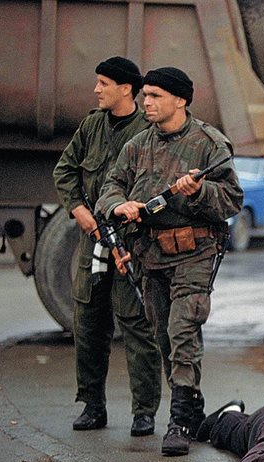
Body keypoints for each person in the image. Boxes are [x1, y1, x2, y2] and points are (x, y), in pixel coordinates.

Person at [96, 67, 243, 457]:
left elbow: (231, 199)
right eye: (144, 95)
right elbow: (110, 186)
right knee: (161, 333)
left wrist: (197, 192)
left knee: (182, 329)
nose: (146, 102)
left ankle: (178, 420)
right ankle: (192, 405)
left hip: (195, 251)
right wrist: (118, 204)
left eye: (156, 95)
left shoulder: (209, 144)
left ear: (180, 99)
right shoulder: (137, 145)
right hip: (149, 254)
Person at [52, 56, 162, 437]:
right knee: (88, 327)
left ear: (125, 88)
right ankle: (91, 405)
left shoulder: (148, 131)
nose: (96, 89)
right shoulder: (92, 125)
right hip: (93, 245)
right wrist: (78, 209)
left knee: (138, 328)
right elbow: (64, 171)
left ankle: (144, 411)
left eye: (103, 83)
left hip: (131, 248)